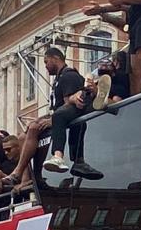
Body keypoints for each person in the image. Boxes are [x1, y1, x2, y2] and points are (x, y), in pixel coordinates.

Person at [40, 46, 102, 177]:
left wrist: (74, 98)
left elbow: (68, 103)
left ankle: (58, 156)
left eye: (46, 62)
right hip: (73, 117)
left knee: (59, 115)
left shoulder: (69, 76)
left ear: (56, 58)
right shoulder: (61, 77)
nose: (45, 66)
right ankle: (76, 162)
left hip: (77, 112)